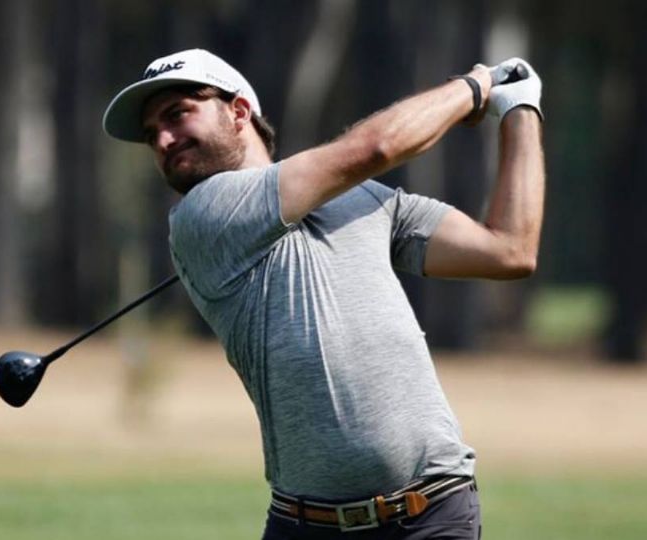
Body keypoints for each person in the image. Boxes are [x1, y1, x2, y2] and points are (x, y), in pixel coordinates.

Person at [102, 49, 544, 539]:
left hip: (433, 513)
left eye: (177, 114)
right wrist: (477, 86)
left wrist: (520, 109)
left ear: (239, 111)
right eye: (151, 134)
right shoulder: (203, 217)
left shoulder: (364, 201)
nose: (162, 140)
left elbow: (509, 251)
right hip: (306, 525)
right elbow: (376, 147)